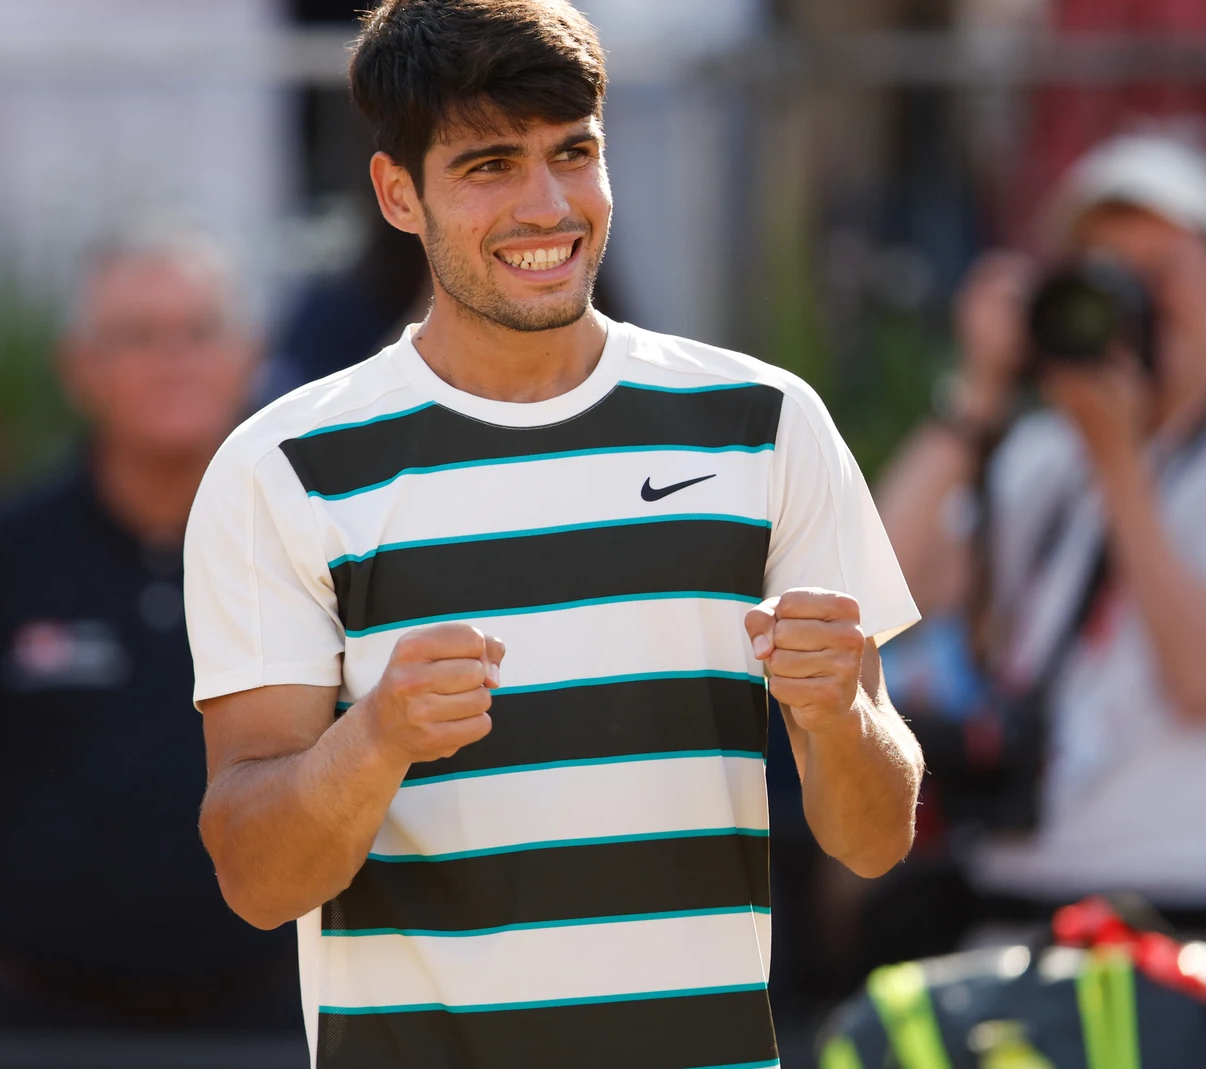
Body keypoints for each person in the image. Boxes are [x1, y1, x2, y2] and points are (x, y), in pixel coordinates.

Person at [185, 2, 925, 1065]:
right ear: (399, 194)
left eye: (573, 154)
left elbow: (873, 835)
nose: (547, 206)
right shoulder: (282, 469)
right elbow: (256, 879)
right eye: (489, 165)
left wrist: (841, 712)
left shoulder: (765, 424)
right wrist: (376, 736)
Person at [875, 135, 1206, 946]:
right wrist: (978, 396)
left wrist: (1120, 461)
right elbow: (871, 594)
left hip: (1197, 949)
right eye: (1107, 275)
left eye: (1159, 274)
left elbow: (1203, 677)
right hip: (1013, 934)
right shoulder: (1042, 461)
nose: (1132, 302)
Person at [0, 228, 299, 1029]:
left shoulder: (314, 551)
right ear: (80, 368)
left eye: (200, 332)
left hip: (270, 1018)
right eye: (137, 336)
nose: (172, 359)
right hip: (36, 1018)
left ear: (249, 357)